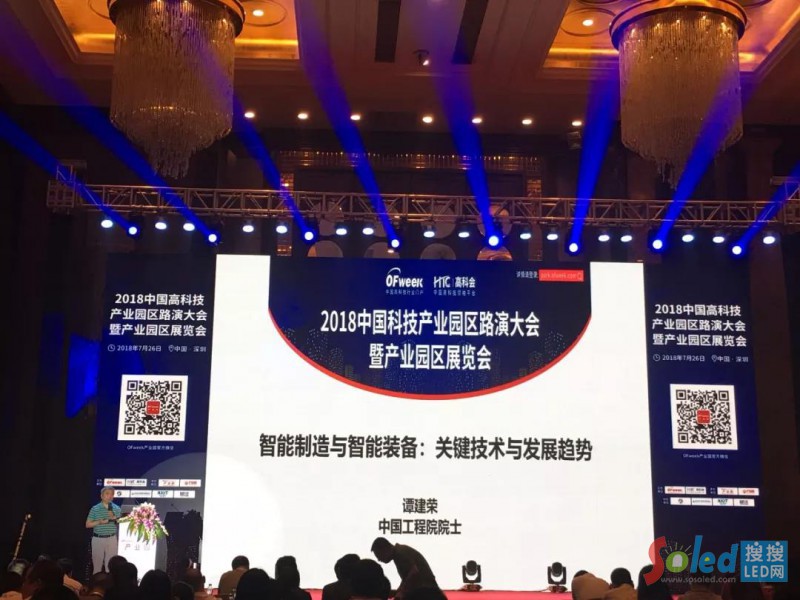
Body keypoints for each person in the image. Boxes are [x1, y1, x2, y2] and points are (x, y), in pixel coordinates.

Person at [371, 538, 437, 598]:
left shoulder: (400, 553)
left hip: (427, 592)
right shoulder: (399, 552)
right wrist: (398, 592)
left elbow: (414, 573)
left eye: (379, 555)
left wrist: (400, 592)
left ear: (385, 549)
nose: (379, 559)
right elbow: (408, 577)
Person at [85, 488, 121, 574]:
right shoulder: (95, 508)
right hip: (98, 539)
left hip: (112, 538)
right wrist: (99, 522)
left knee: (111, 566)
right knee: (97, 566)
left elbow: (119, 522)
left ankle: (109, 582)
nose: (110, 496)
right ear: (101, 496)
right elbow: (87, 524)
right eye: (107, 494)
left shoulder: (116, 508)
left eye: (112, 494)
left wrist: (115, 519)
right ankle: (96, 582)